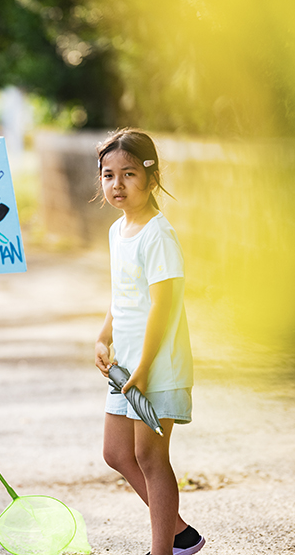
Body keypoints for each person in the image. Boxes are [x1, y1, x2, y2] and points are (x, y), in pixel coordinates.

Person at [93, 129, 205, 555]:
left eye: (129, 173)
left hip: (156, 366)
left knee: (151, 458)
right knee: (116, 452)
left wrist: (142, 369)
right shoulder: (118, 230)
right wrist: (104, 335)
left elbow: (165, 306)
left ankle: (163, 549)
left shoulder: (158, 234)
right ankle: (179, 534)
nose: (117, 184)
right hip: (128, 364)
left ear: (151, 177)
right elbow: (123, 295)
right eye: (108, 175)